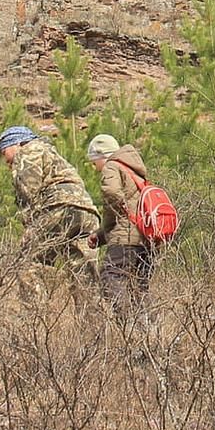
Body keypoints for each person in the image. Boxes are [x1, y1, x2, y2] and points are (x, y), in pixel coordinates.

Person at [0, 125, 100, 272]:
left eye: (4, 151)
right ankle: (90, 296)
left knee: (26, 262)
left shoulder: (27, 151)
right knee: (84, 272)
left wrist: (30, 226)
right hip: (87, 213)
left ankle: (37, 295)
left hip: (57, 208)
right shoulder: (52, 154)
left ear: (18, 143)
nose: (5, 160)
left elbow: (29, 192)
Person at [86, 133, 157, 321]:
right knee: (140, 287)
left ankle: (128, 326)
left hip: (125, 238)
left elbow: (111, 194)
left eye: (94, 162)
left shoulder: (112, 166)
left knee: (111, 277)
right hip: (146, 238)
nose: (95, 168)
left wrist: (106, 228)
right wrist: (100, 236)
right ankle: (151, 330)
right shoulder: (134, 171)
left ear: (103, 155)